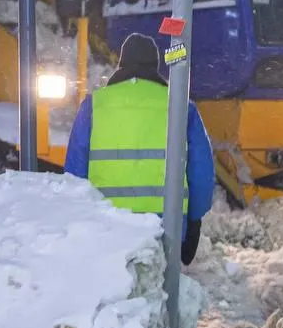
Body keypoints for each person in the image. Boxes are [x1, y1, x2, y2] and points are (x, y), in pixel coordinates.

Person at [65, 32, 215, 265]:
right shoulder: (181, 107)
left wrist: (77, 221)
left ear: (121, 64)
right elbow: (201, 172)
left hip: (106, 226)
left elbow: (74, 171)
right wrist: (194, 222)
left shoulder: (94, 105)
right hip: (166, 226)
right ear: (155, 66)